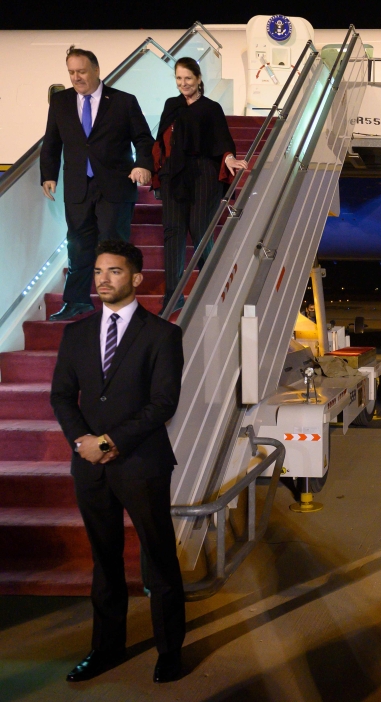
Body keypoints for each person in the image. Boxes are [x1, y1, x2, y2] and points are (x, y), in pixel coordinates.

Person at [50, 240, 186, 684]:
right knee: (104, 562)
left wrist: (109, 441)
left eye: (114, 272)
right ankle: (105, 649)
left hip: (142, 463)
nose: (103, 279)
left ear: (136, 278)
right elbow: (62, 397)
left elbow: (163, 403)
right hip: (89, 466)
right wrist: (82, 442)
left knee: (159, 557)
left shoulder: (163, 334)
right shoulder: (77, 333)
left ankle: (170, 650)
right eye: (98, 272)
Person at [41, 46, 153, 321]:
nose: (76, 77)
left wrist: (143, 164)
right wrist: (48, 174)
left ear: (96, 70)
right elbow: (52, 142)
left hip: (115, 186)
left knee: (113, 246)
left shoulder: (124, 101)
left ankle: (118, 302)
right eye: (71, 72)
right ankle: (77, 301)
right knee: (77, 246)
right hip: (78, 186)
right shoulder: (61, 102)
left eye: (81, 71)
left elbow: (143, 139)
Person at [154, 57, 248, 314]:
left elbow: (221, 139)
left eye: (188, 78)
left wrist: (229, 158)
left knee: (199, 229)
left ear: (198, 80)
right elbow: (162, 141)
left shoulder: (211, 108)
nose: (183, 83)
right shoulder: (171, 105)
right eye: (179, 78)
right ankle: (173, 297)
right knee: (173, 232)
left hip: (203, 172)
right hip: (174, 175)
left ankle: (215, 285)